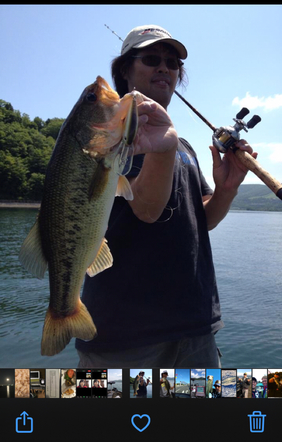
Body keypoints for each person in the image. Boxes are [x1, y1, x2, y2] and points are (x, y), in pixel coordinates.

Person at [76, 24, 256, 368]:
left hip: (195, 327)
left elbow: (200, 219)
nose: (164, 67)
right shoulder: (107, 140)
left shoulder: (182, 146)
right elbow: (146, 209)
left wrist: (226, 191)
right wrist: (163, 148)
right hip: (125, 334)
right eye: (151, 59)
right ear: (125, 71)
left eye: (172, 63)